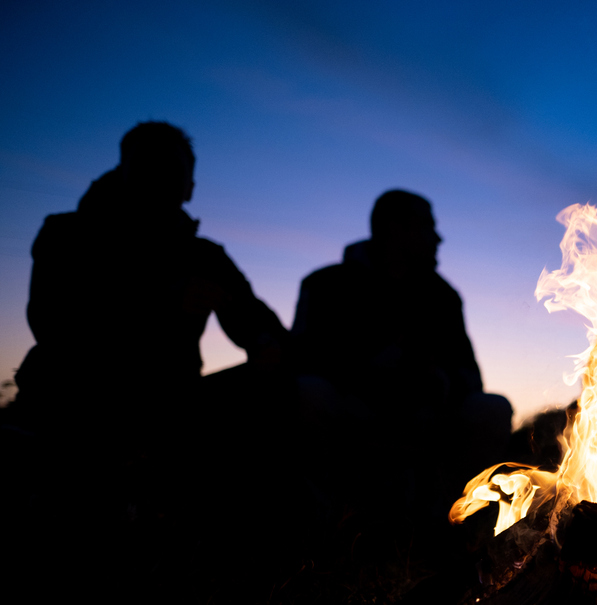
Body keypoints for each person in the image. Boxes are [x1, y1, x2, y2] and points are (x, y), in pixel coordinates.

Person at [11, 121, 286, 446]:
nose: (159, 175)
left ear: (190, 187)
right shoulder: (65, 234)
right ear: (122, 170)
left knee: (292, 387)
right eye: (147, 162)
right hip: (71, 407)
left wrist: (265, 343)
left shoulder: (206, 257)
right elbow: (53, 323)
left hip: (172, 407)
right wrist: (163, 299)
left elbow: (251, 316)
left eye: (172, 167)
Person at [292, 190, 511, 499]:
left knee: (491, 408)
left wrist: (441, 380)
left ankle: (461, 526)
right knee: (308, 392)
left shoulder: (443, 297)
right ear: (395, 228)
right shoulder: (326, 285)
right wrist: (370, 368)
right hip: (354, 407)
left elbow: (470, 376)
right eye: (426, 226)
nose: (438, 238)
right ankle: (314, 515)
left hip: (426, 412)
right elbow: (301, 358)